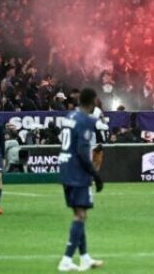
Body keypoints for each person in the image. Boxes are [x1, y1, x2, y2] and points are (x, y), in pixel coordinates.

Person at [56, 87, 104, 272]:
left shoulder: (70, 116)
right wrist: (96, 174)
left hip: (66, 168)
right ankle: (66, 259)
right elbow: (83, 153)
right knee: (80, 215)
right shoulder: (86, 120)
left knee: (79, 214)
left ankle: (84, 258)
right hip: (77, 172)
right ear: (92, 102)